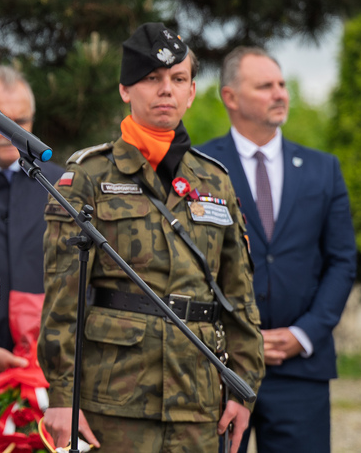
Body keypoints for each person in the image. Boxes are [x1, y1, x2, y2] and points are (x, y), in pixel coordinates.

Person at [38, 23, 264, 452]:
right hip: (115, 401)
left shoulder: (215, 180)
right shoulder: (87, 176)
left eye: (178, 80)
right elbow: (62, 299)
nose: (166, 90)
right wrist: (62, 398)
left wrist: (243, 389)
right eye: (152, 79)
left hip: (199, 401)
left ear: (193, 91)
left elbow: (239, 296)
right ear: (126, 90)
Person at [197, 46, 357, 453]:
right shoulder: (198, 167)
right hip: (220, 369)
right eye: (265, 85)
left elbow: (341, 261)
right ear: (230, 97)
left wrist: (305, 334)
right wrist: (230, 338)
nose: (280, 93)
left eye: (282, 84)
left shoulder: (324, 169)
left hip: (300, 370)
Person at [0, 65, 65, 419]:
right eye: (2, 122)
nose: (14, 133)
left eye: (23, 121)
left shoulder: (61, 186)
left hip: (47, 374)